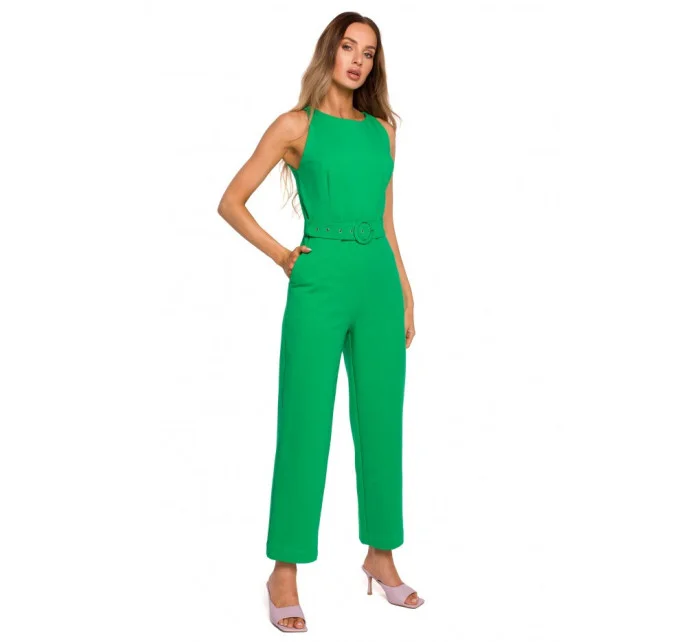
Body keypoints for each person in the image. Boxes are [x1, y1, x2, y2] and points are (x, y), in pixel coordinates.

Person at [217, 11, 424, 632]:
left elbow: (386, 220)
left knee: (382, 423)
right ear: (329, 52)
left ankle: (381, 556)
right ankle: (284, 570)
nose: (358, 60)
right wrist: (283, 256)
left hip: (378, 284)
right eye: (349, 47)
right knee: (305, 423)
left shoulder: (383, 130)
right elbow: (231, 201)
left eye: (369, 52)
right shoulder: (295, 125)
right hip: (319, 282)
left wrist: (406, 291)